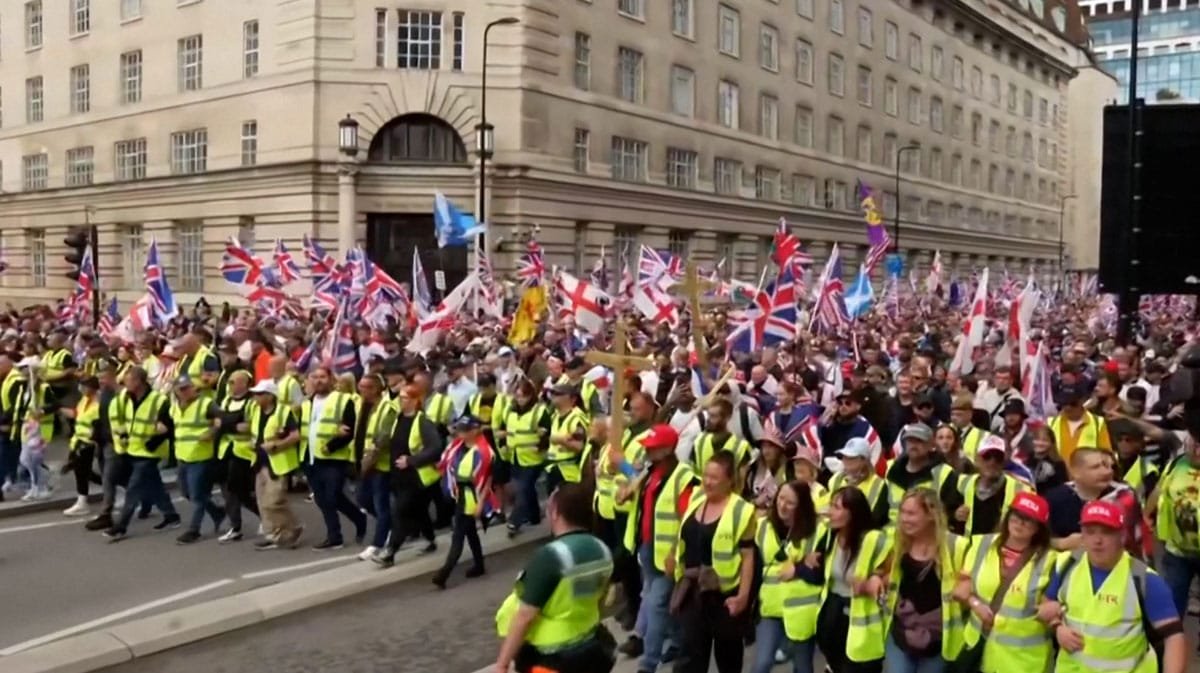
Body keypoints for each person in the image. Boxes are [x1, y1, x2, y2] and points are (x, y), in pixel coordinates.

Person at [1039, 501, 1187, 673]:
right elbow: (1045, 605)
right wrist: (1057, 626)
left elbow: (1174, 637)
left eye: (1106, 532)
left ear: (1122, 536)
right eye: (1090, 532)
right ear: (1082, 535)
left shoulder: (1144, 579)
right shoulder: (1067, 565)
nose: (1097, 540)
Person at [493, 481, 616, 673]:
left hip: (551, 657)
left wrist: (502, 664)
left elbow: (525, 616)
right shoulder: (602, 550)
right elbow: (599, 598)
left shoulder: (551, 556)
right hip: (590, 645)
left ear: (556, 512)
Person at [612, 423, 696, 671]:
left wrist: (674, 554)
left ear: (667, 450)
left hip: (666, 556)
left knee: (656, 605)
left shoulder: (684, 478)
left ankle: (648, 664)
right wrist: (626, 492)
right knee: (660, 604)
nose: (647, 451)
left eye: (652, 447)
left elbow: (687, 521)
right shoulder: (650, 472)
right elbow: (637, 494)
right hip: (647, 549)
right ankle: (678, 643)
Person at [670, 450, 756, 673]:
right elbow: (684, 535)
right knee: (690, 658)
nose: (707, 482)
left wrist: (743, 597)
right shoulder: (696, 499)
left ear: (729, 481)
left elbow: (748, 557)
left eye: (714, 478)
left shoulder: (742, 511)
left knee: (728, 659)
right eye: (706, 475)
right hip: (693, 592)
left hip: (724, 598)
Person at [954, 491, 1057, 673]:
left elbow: (1053, 606)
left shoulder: (1050, 560)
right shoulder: (981, 544)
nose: (1020, 523)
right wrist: (975, 604)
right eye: (1016, 515)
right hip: (979, 647)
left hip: (1022, 661)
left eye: (1028, 520)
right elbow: (960, 589)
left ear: (1038, 528)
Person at [883, 488, 969, 673]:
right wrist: (876, 578)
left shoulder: (957, 546)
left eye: (911, 513)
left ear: (931, 515)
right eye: (902, 512)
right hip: (901, 634)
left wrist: (967, 589)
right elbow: (882, 570)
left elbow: (972, 582)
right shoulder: (897, 541)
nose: (904, 519)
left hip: (938, 640)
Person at [751, 480, 825, 673]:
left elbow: (820, 572)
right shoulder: (762, 526)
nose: (783, 506)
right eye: (781, 498)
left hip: (802, 611)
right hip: (770, 606)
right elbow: (754, 567)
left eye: (790, 503)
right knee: (762, 663)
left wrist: (798, 569)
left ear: (802, 506)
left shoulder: (818, 530)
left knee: (803, 667)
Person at [816, 486, 889, 673]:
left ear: (853, 513)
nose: (830, 512)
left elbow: (894, 567)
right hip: (833, 610)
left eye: (837, 507)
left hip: (859, 618)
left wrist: (877, 576)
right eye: (831, 505)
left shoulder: (874, 539)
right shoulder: (830, 535)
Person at [371, 383, 443, 567]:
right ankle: (430, 539)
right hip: (398, 476)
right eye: (400, 397)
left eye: (404, 398)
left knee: (400, 512)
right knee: (418, 511)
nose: (400, 401)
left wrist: (411, 460)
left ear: (414, 400)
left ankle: (389, 552)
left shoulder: (423, 422)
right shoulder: (398, 418)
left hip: (417, 477)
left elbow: (435, 448)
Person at [105, 366, 179, 542]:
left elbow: (169, 427)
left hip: (150, 452)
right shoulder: (128, 399)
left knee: (133, 489)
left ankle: (121, 526)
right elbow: (128, 422)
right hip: (134, 449)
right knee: (155, 486)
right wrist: (124, 436)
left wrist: (154, 440)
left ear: (139, 381)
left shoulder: (159, 400)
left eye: (129, 380)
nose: (125, 384)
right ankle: (171, 516)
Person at [299, 366, 366, 551]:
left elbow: (349, 431)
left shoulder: (343, 400)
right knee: (322, 499)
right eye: (314, 377)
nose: (318, 380)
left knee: (332, 496)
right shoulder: (307, 403)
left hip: (333, 458)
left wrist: (331, 446)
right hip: (310, 457)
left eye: (322, 377)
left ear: (330, 379)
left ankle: (352, 523)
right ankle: (336, 535)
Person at [1145, 424, 1200, 626]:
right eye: (1195, 444)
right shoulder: (1177, 464)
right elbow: (1160, 489)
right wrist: (1147, 514)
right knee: (1171, 605)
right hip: (1177, 552)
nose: (1197, 452)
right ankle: (1170, 639)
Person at [433, 415, 494, 588]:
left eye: (464, 430)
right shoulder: (457, 446)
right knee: (470, 532)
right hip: (459, 493)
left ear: (475, 430)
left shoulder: (484, 452)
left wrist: (480, 503)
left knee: (458, 535)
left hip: (471, 497)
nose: (460, 433)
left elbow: (487, 480)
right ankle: (479, 565)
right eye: (459, 429)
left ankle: (444, 573)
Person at [243, 380, 303, 550]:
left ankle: (293, 527)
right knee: (262, 503)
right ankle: (274, 535)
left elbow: (295, 436)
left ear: (270, 396)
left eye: (259, 394)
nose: (255, 397)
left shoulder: (283, 412)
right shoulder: (256, 411)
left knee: (273, 502)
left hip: (278, 464)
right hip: (259, 462)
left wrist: (277, 445)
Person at [171, 376, 224, 544]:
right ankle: (217, 512)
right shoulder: (175, 407)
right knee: (186, 492)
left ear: (194, 387)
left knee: (197, 494)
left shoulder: (206, 404)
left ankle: (194, 530)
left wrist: (212, 432)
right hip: (182, 456)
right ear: (176, 391)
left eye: (188, 387)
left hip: (201, 456)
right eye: (181, 389)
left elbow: (222, 419)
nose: (185, 391)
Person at [214, 370, 259, 543]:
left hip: (243, 452)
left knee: (240, 491)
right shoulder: (226, 400)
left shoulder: (251, 402)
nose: (230, 385)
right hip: (225, 450)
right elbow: (218, 422)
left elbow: (249, 427)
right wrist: (233, 425)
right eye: (229, 382)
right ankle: (235, 526)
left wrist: (227, 424)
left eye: (233, 382)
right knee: (227, 490)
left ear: (245, 384)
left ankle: (264, 515)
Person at [502, 379, 550, 538]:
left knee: (523, 488)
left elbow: (548, 433)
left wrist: (540, 446)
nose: (519, 399)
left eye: (523, 396)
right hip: (515, 456)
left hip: (533, 458)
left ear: (530, 396)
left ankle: (515, 520)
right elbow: (505, 429)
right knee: (527, 489)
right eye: (517, 396)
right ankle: (534, 516)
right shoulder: (510, 410)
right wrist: (503, 442)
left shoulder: (539, 411)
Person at [954, 436, 1029, 537]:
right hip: (969, 545)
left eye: (998, 458)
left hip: (1001, 545)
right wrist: (956, 515)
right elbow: (947, 516)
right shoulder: (962, 483)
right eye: (987, 456)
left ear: (1004, 461)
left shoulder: (1021, 490)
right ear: (977, 459)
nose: (992, 462)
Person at [354, 373, 392, 560]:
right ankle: (391, 526)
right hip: (362, 460)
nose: (361, 390)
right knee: (363, 499)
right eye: (360, 386)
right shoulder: (360, 404)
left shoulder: (386, 407)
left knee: (380, 503)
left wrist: (371, 458)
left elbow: (384, 436)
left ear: (376, 389)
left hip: (379, 464)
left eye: (366, 387)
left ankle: (378, 543)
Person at [60, 375, 102, 516]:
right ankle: (113, 487)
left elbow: (100, 425)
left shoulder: (99, 403)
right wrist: (58, 408)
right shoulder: (84, 400)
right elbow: (76, 414)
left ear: (92, 388)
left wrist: (95, 442)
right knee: (84, 472)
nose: (81, 389)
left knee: (81, 472)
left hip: (89, 442)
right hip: (78, 440)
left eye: (84, 386)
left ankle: (82, 502)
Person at [829, 437, 890, 529]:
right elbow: (829, 506)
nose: (846, 460)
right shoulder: (836, 479)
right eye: (844, 456)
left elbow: (875, 517)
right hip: (836, 529)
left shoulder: (878, 484)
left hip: (862, 531)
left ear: (864, 460)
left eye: (851, 457)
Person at [1047, 385, 1112, 464]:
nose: (1068, 408)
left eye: (1073, 404)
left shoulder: (1098, 423)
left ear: (1082, 401)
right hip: (1059, 471)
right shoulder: (1051, 423)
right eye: (1064, 403)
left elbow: (1106, 454)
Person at [545, 383, 588, 491]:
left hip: (568, 473)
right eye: (552, 393)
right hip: (552, 468)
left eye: (558, 394)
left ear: (572, 399)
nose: (553, 396)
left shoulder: (577, 418)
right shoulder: (554, 416)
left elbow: (579, 446)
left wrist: (559, 440)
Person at [1027, 425, 1068, 495]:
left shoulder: (1058, 463)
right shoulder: (1027, 459)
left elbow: (1063, 488)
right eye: (1036, 439)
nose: (1040, 443)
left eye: (1045, 440)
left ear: (1051, 443)